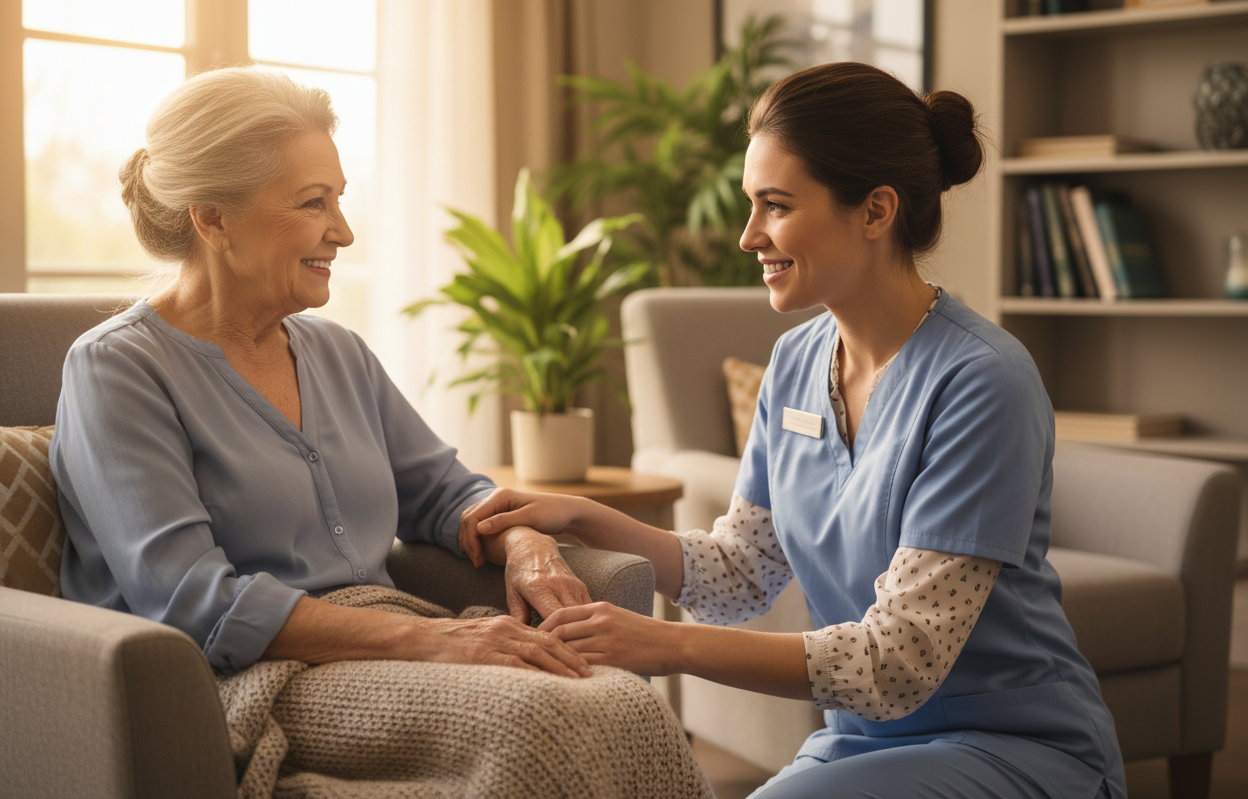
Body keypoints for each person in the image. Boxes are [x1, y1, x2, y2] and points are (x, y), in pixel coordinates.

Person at [460, 62, 1128, 799]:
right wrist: (583, 515)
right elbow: (739, 573)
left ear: (875, 211)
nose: (749, 236)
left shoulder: (982, 381)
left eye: (775, 206)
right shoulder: (796, 360)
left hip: (1016, 745)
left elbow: (897, 661)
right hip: (857, 739)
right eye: (752, 205)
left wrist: (665, 643)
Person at [50, 66, 595, 677]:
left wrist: (524, 541)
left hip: (387, 645)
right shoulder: (117, 369)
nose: (344, 231)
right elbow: (191, 601)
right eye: (315, 202)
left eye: (339, 198)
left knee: (616, 701)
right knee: (553, 719)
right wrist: (439, 640)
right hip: (248, 677)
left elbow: (447, 493)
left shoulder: (340, 353)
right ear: (213, 221)